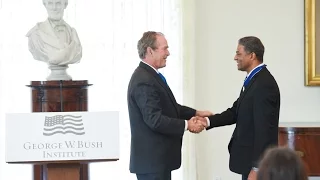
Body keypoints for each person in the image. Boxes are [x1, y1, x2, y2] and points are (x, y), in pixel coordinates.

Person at [127, 31, 212, 180]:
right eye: (164, 48)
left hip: (157, 163)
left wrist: (196, 112)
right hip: (152, 164)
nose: (168, 53)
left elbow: (171, 107)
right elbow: (155, 119)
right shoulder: (144, 80)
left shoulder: (150, 76)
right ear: (149, 51)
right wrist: (187, 125)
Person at [200, 36, 281, 180]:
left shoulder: (263, 84)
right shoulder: (254, 80)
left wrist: (257, 168)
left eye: (238, 53)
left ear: (251, 55)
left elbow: (264, 131)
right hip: (249, 162)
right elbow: (235, 112)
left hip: (256, 166)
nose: (235, 57)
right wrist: (207, 121)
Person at [26, 0, 82, 66]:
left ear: (65, 4)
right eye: (50, 3)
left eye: (58, 3)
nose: (54, 7)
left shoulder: (72, 33)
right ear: (44, 4)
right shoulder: (36, 34)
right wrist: (67, 52)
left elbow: (77, 53)